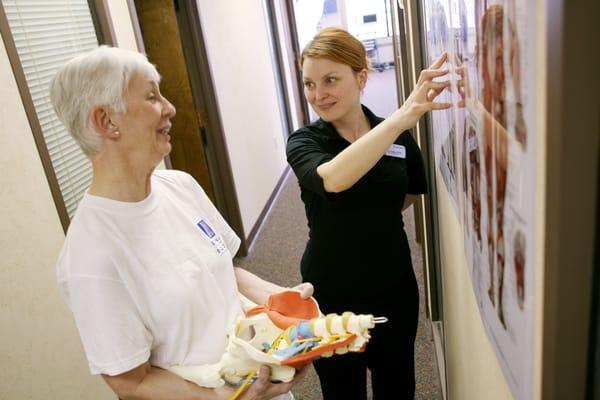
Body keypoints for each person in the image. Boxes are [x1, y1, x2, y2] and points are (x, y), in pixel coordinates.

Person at [51, 45, 312, 400]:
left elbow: (221, 271)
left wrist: (282, 299)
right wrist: (226, 399)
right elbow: (132, 383)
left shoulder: (180, 185)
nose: (170, 108)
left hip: (261, 383)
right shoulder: (90, 257)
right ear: (107, 121)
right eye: (151, 96)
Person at [286, 27, 451, 399]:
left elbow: (410, 190)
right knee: (342, 390)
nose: (318, 94)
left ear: (361, 77)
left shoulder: (395, 137)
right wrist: (399, 120)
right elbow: (332, 179)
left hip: (393, 285)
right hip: (331, 291)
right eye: (310, 83)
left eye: (330, 79)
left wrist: (369, 216)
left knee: (397, 385)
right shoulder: (305, 141)